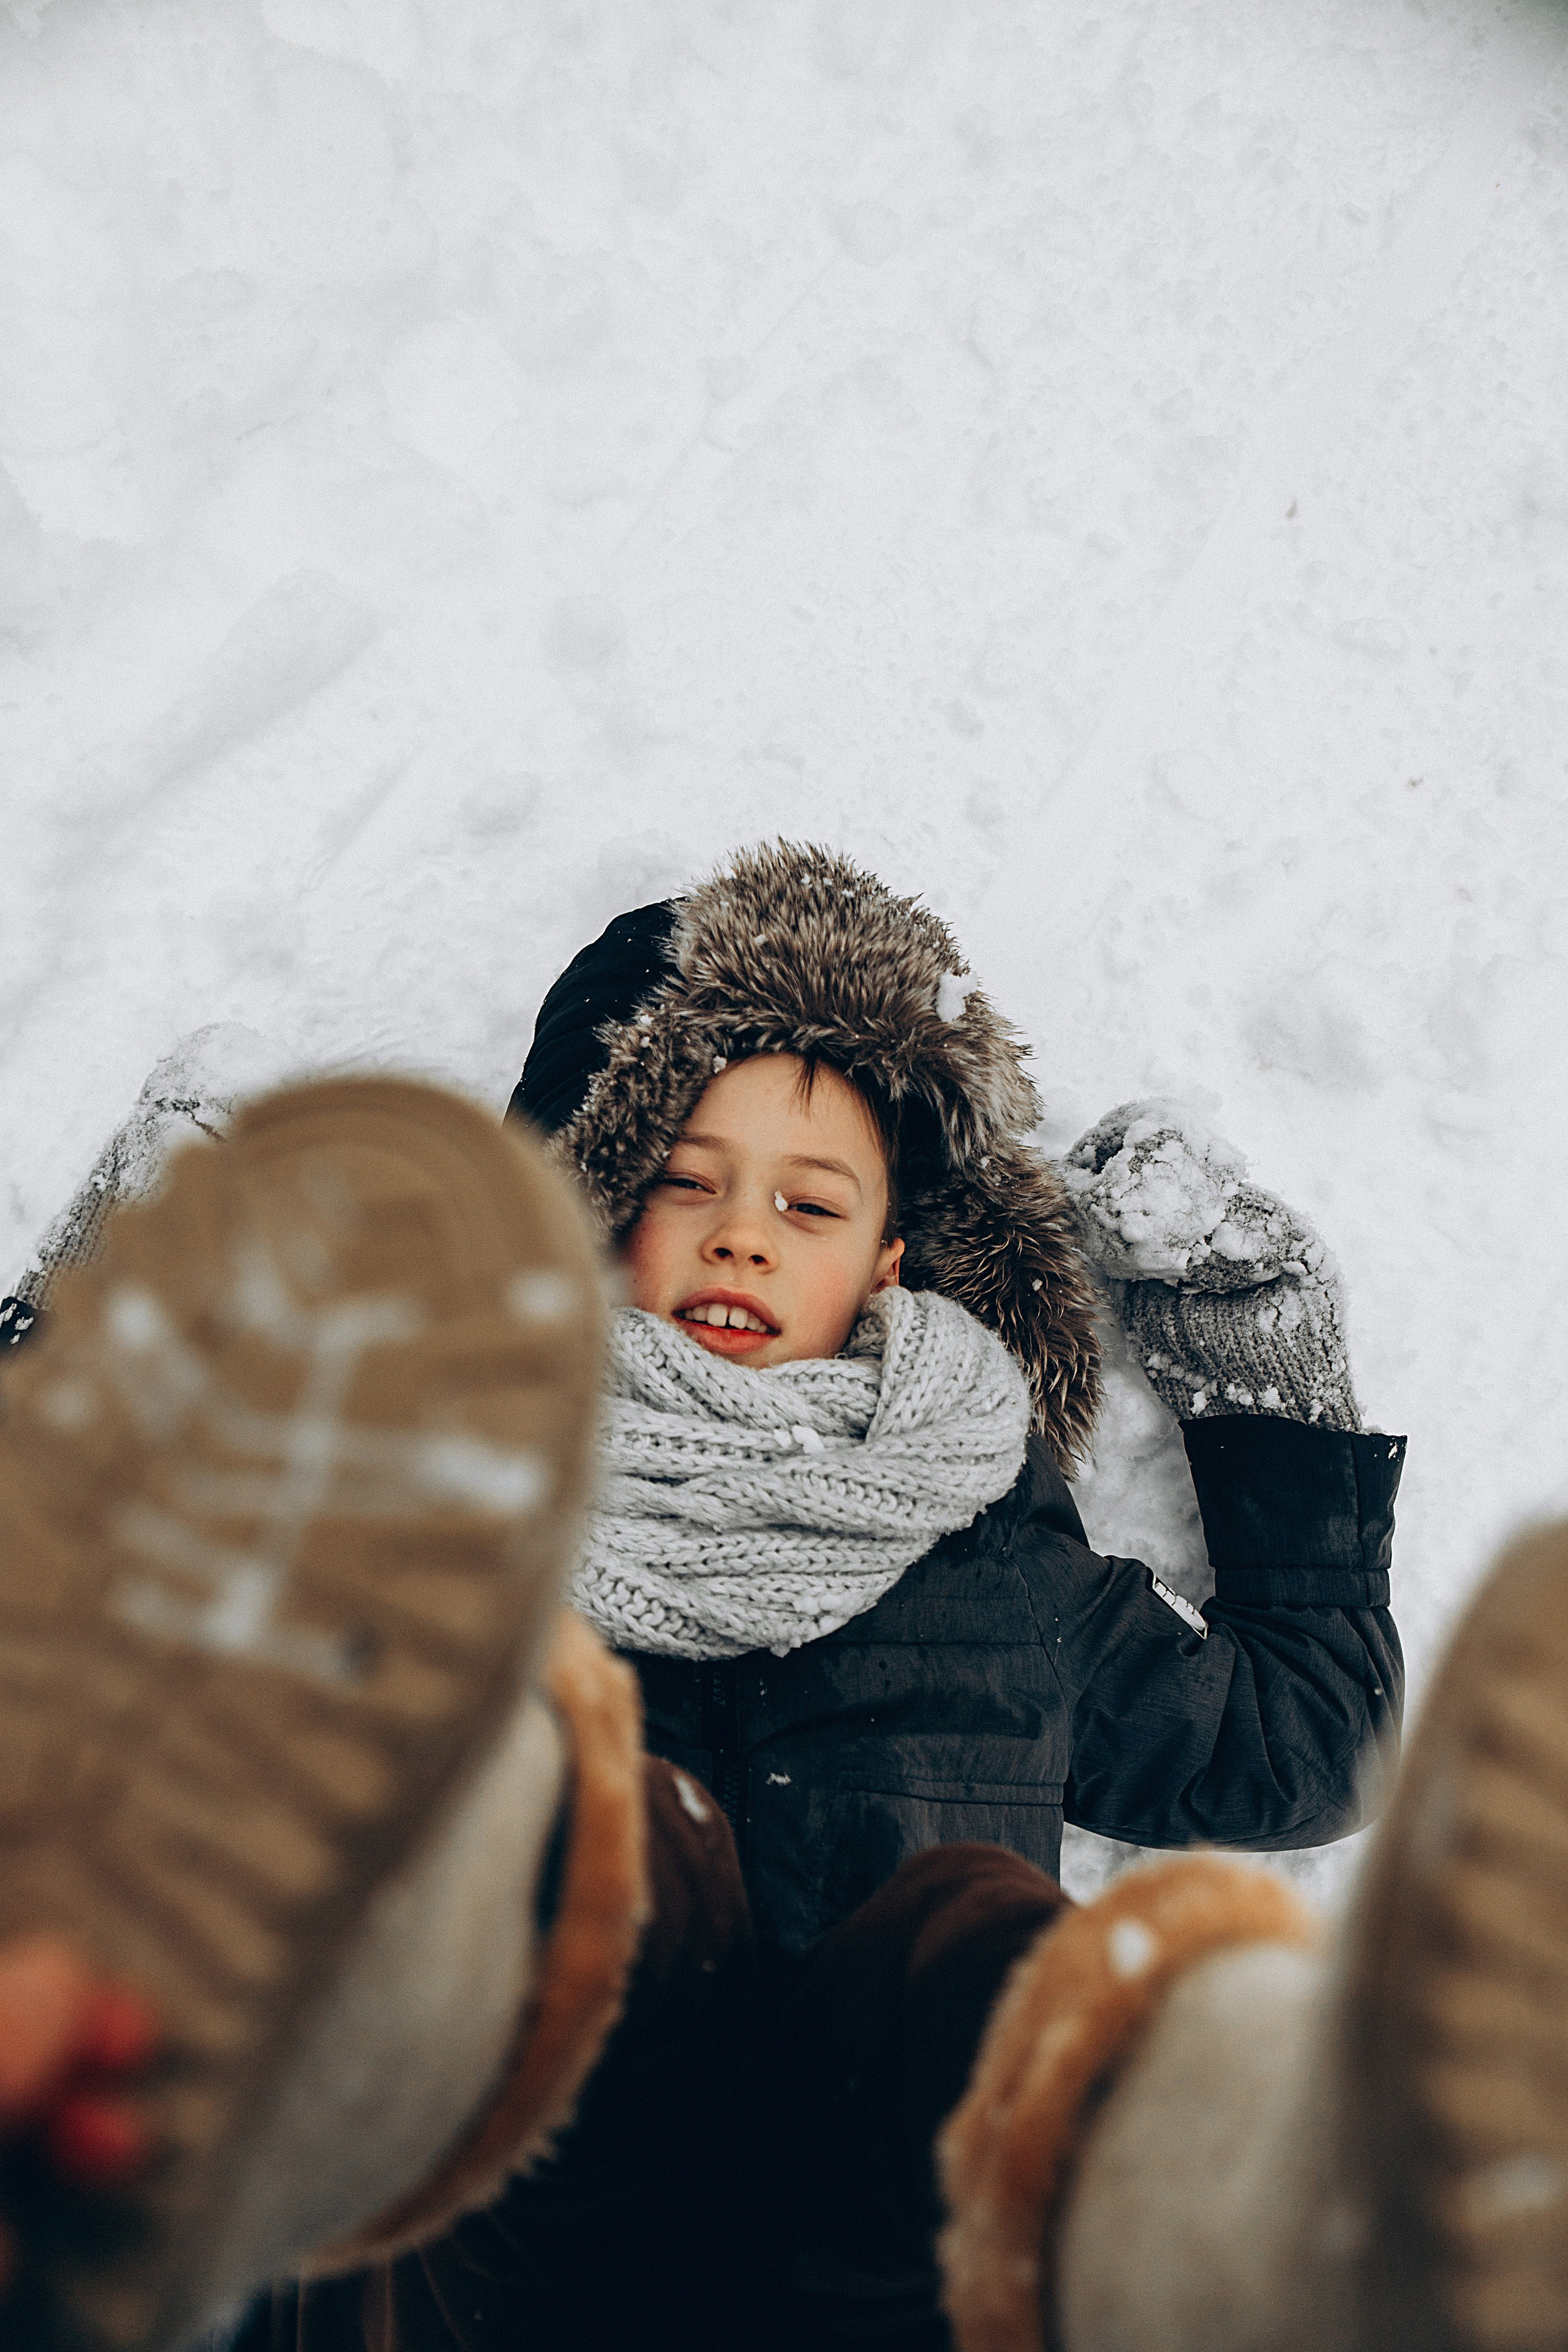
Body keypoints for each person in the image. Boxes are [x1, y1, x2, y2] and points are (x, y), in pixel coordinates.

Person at [0, 1044, 1562, 2352]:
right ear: (604, 1224)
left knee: (956, 1955)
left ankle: (1285, 2199)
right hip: (489, 2215)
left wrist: (1247, 1329)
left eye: (806, 1204)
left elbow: (1296, 1741)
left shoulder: (991, 1565)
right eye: (688, 1182)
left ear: (888, 1268)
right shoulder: (462, 1502)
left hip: (890, 2244)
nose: (741, 1234)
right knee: (538, 1833)